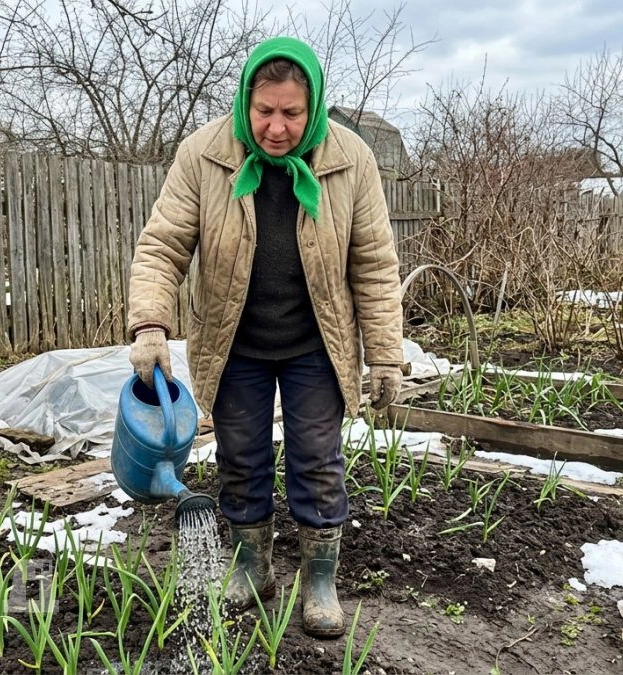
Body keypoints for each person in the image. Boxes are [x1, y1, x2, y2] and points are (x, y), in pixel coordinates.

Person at [125, 36, 403, 638]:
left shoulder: (350, 159)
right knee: (240, 461)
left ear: (315, 109)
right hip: (235, 345)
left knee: (317, 462)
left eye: (292, 113)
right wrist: (150, 324)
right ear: (245, 102)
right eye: (265, 112)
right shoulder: (204, 154)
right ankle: (253, 566)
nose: (277, 128)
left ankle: (319, 579)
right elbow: (162, 245)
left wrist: (385, 355)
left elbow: (376, 264)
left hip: (316, 345)